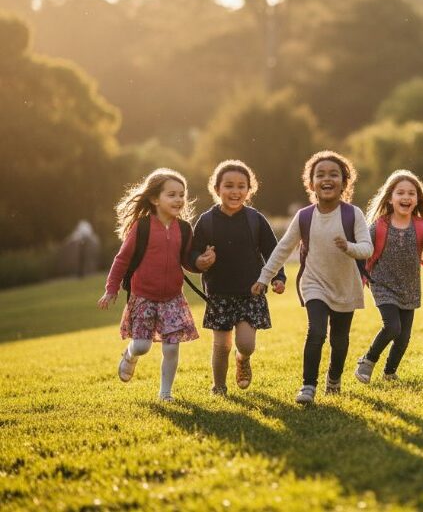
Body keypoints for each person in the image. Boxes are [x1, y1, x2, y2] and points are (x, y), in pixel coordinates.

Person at [252, 151, 372, 405]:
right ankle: (308, 385)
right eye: (320, 175)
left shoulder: (353, 214)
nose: (327, 179)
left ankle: (334, 380)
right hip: (314, 283)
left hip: (345, 285)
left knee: (340, 341)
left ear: (344, 182)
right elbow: (283, 248)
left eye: (334, 174)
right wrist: (264, 277)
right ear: (311, 183)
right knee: (316, 331)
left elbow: (367, 248)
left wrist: (348, 247)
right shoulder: (304, 216)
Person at [98, 168, 199, 401]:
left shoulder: (183, 228)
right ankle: (130, 355)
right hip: (143, 296)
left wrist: (200, 262)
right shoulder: (141, 227)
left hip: (173, 297)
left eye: (182, 194)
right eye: (171, 194)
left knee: (172, 348)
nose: (179, 199)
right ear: (155, 199)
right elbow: (122, 259)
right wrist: (111, 289)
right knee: (143, 345)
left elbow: (186, 260)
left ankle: (165, 393)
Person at [191, 160, 286, 396]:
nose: (235, 191)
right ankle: (219, 387)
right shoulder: (207, 221)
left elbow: (273, 251)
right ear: (217, 189)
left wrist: (277, 277)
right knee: (221, 346)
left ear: (249, 190)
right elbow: (192, 251)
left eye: (241, 186)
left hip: (250, 291)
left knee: (245, 343)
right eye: (229, 186)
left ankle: (242, 360)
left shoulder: (255, 219)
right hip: (219, 293)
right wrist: (200, 260)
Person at [354, 170, 423, 384]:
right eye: (400, 193)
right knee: (392, 327)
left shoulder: (422, 226)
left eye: (411, 193)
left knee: (403, 337)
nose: (406, 197)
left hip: (410, 287)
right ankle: (367, 361)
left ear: (417, 199)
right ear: (390, 198)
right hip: (382, 284)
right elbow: (363, 248)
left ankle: (389, 373)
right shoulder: (379, 225)